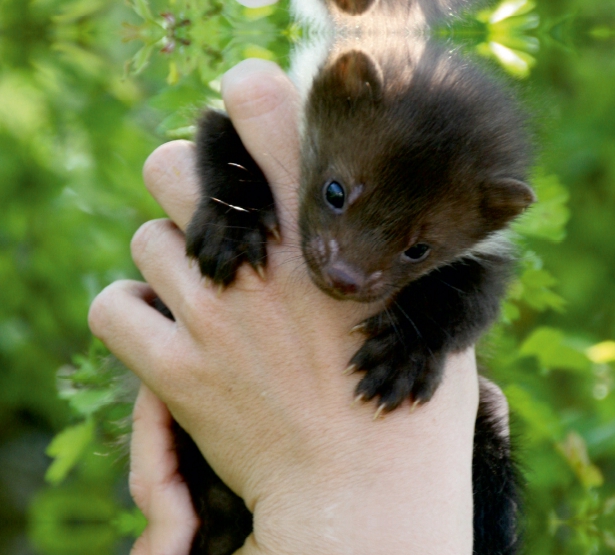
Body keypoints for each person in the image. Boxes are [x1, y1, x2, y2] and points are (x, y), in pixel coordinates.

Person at [88, 59, 488, 555]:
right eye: (338, 196)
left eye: (413, 250)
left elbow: (472, 293)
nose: (347, 271)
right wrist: (233, 203)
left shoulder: (467, 261)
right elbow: (222, 134)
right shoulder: (323, 130)